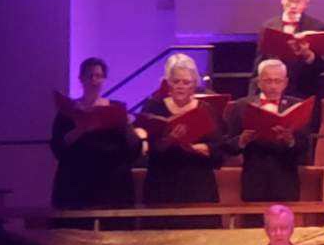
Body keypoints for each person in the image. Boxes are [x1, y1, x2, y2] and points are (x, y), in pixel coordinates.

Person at [135, 53, 221, 210]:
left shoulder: (206, 109)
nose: (181, 86)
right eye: (176, 81)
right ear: (168, 83)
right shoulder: (154, 107)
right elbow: (148, 148)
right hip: (162, 183)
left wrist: (200, 148)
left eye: (186, 82)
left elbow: (218, 146)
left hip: (198, 183)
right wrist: (169, 140)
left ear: (194, 85)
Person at [50, 56, 137, 211]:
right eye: (89, 76)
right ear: (81, 79)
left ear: (104, 79)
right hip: (76, 180)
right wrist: (79, 129)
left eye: (98, 76)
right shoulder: (68, 111)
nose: (94, 80)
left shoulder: (115, 108)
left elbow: (130, 147)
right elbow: (57, 147)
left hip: (110, 182)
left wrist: (127, 125)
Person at [226, 59, 315, 203]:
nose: (273, 86)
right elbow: (228, 146)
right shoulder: (241, 106)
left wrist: (290, 140)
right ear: (258, 82)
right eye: (268, 81)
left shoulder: (297, 106)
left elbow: (305, 146)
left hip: (286, 181)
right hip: (254, 181)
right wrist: (242, 140)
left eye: (277, 81)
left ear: (285, 82)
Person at [260, 0, 324, 98]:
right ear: (282, 0)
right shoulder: (268, 27)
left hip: (305, 91)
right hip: (273, 91)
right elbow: (259, 63)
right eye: (290, 0)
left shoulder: (318, 27)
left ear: (306, 4)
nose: (293, 5)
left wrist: (309, 56)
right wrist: (253, 95)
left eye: (298, 1)